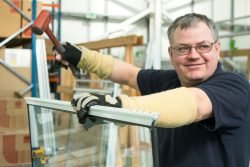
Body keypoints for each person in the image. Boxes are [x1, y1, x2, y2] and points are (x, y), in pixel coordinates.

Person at [55, 13, 250, 167]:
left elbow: (196, 103)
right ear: (171, 54)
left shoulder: (233, 86)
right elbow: (129, 74)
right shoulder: (170, 80)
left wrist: (119, 106)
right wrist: (82, 57)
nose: (193, 55)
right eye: (182, 48)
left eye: (203, 46)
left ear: (217, 49)